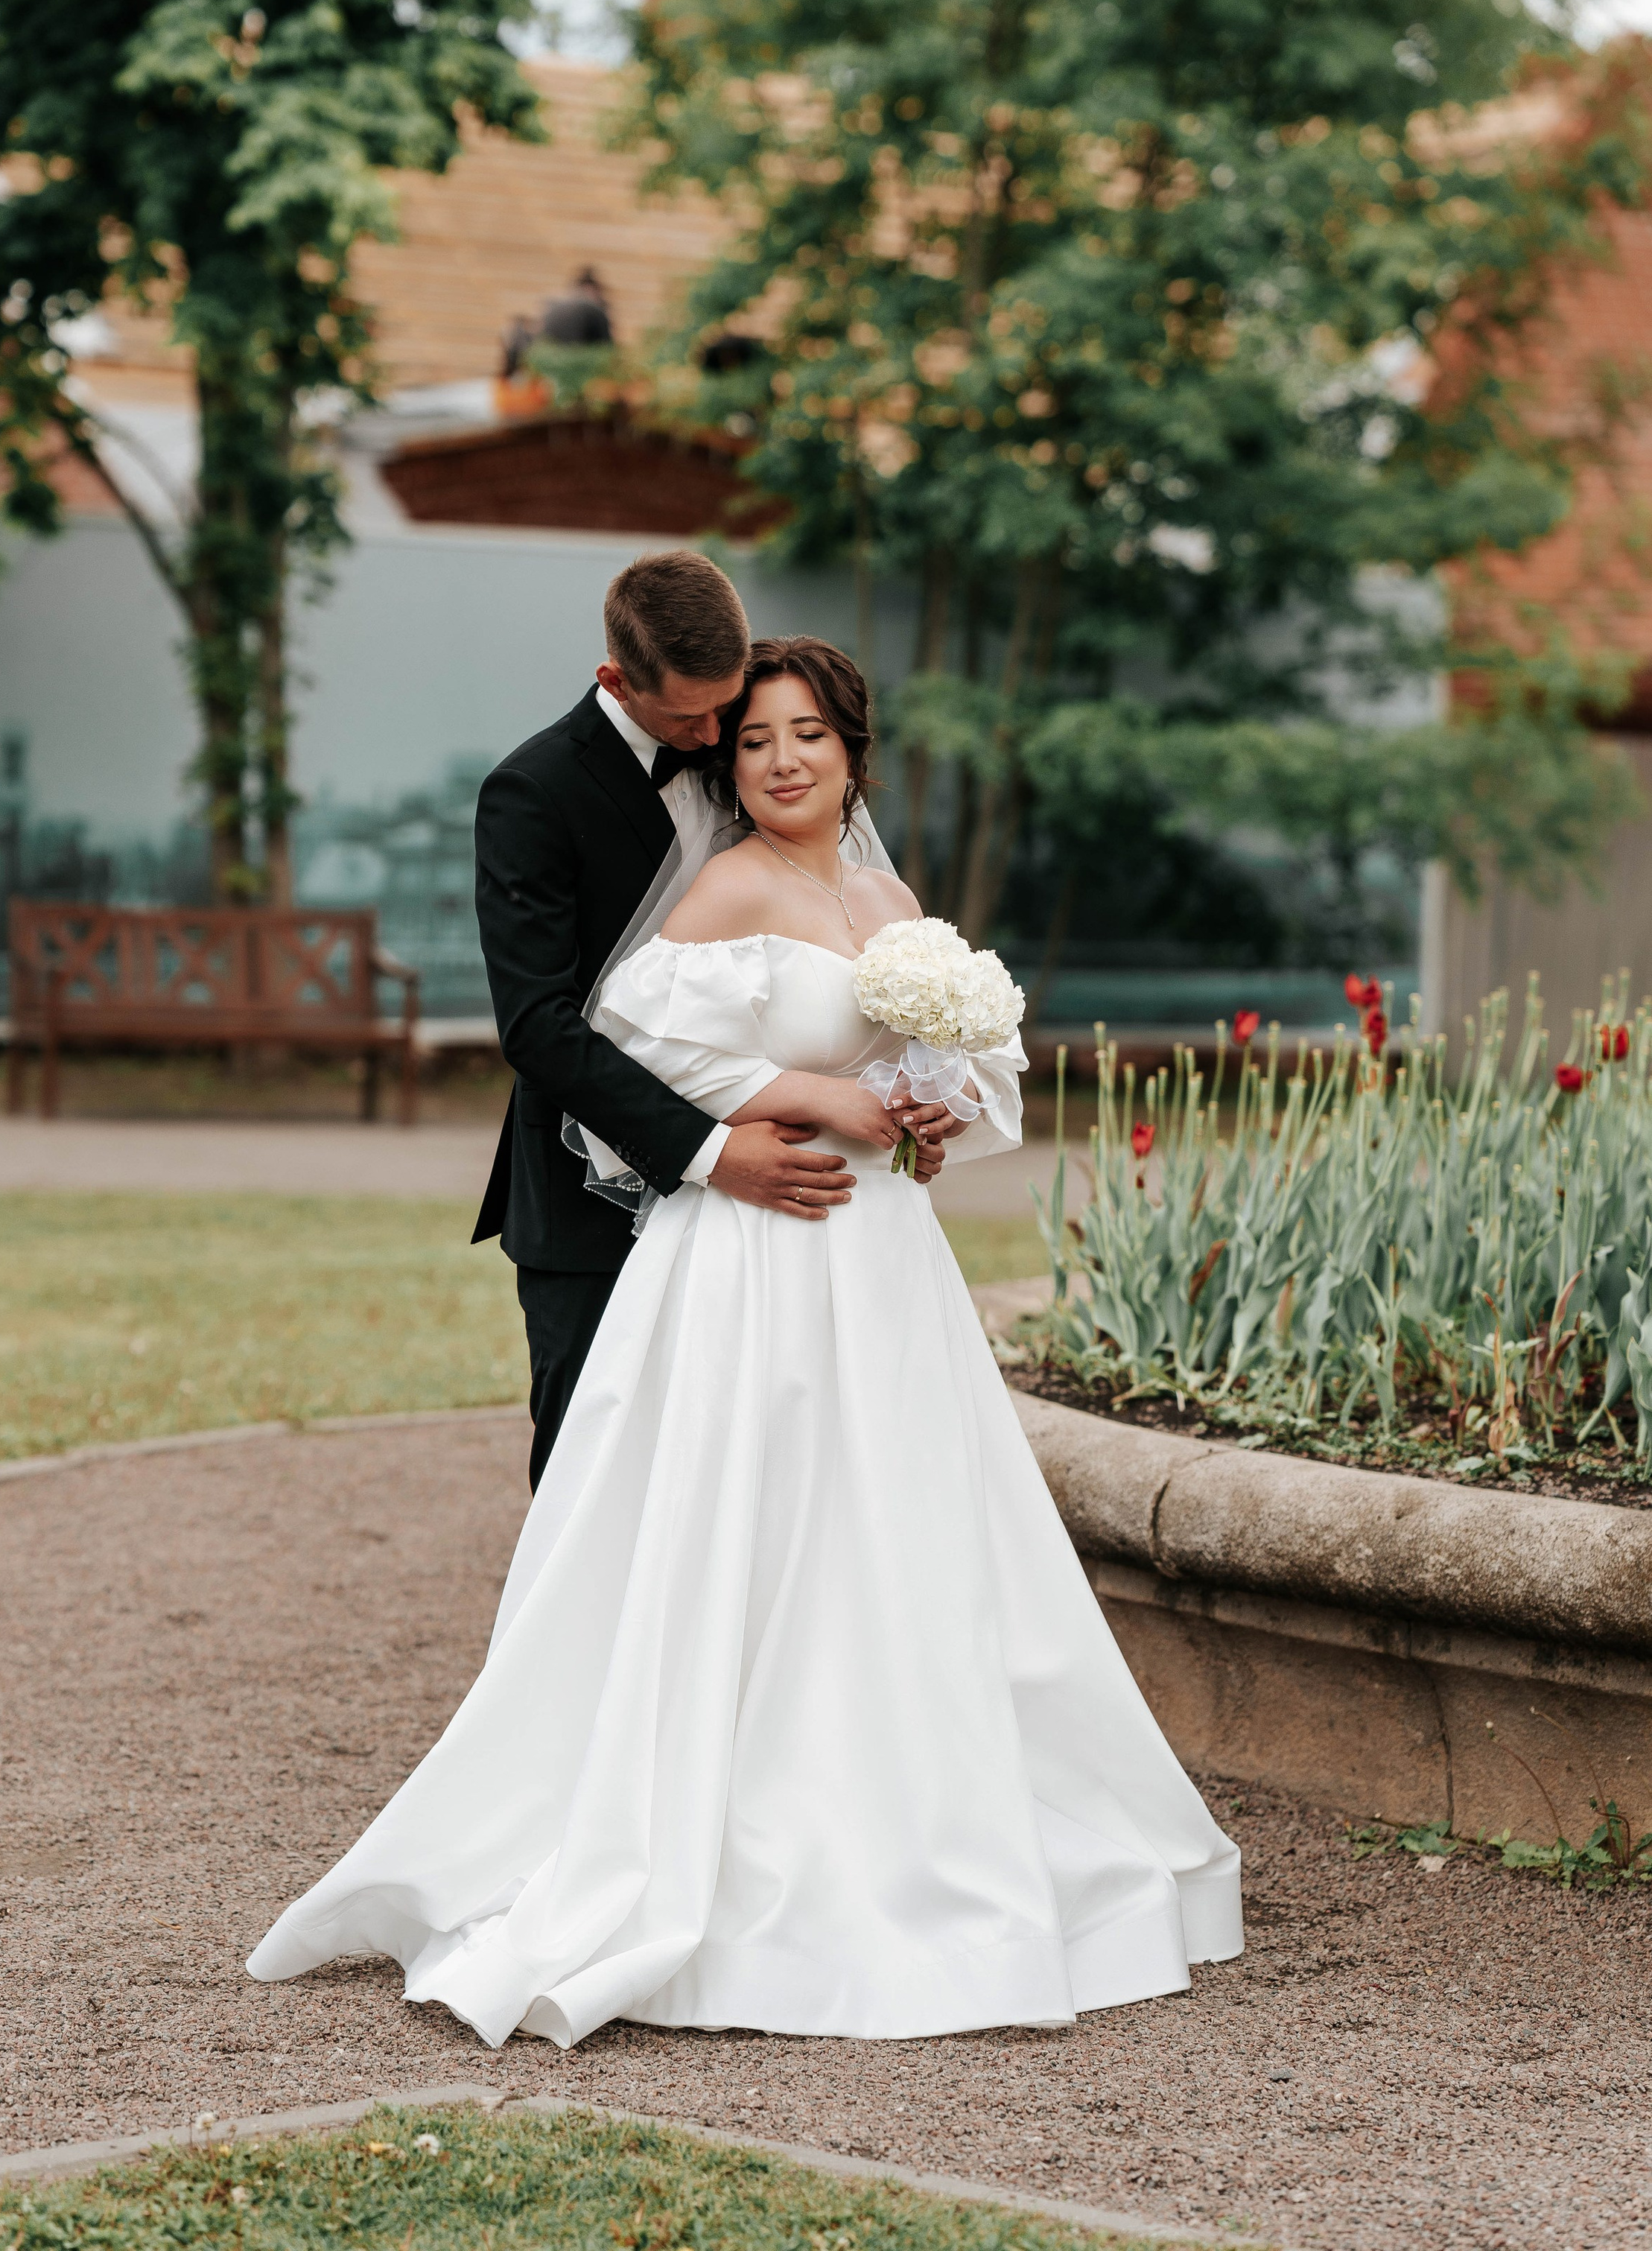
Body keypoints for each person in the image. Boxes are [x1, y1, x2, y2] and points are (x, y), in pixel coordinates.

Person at [247, 634, 1242, 2043]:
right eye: (757, 739)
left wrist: (928, 1111)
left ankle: (913, 1805)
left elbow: (956, 1064)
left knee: (893, 1527)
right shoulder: (721, 887)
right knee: (746, 1522)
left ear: (854, 754)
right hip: (753, 1256)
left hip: (882, 1264)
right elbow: (626, 1044)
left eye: (807, 739)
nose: (780, 761)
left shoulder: (890, 898)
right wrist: (796, 1101)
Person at [468, 550, 900, 1488]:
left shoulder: (744, 753)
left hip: (781, 1218)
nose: (718, 735)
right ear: (614, 680)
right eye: (691, 717)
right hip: (592, 1193)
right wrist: (710, 1150)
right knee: (596, 1467)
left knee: (753, 1473)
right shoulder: (532, 793)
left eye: (728, 707)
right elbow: (539, 1026)